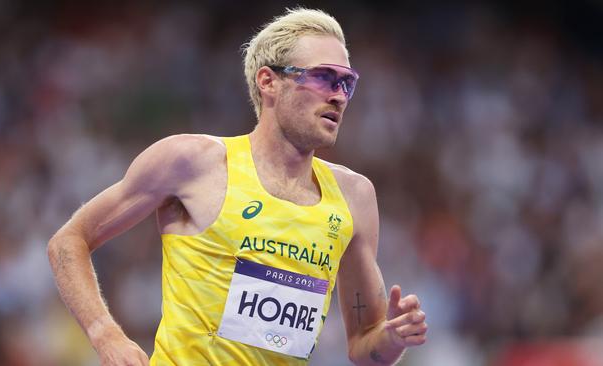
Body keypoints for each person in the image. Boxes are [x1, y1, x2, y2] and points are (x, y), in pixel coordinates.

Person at [48, 7, 427, 366]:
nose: (338, 95)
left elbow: (365, 347)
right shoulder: (194, 162)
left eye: (346, 83)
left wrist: (393, 338)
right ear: (268, 82)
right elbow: (68, 242)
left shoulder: (354, 196)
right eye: (324, 77)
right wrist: (105, 335)